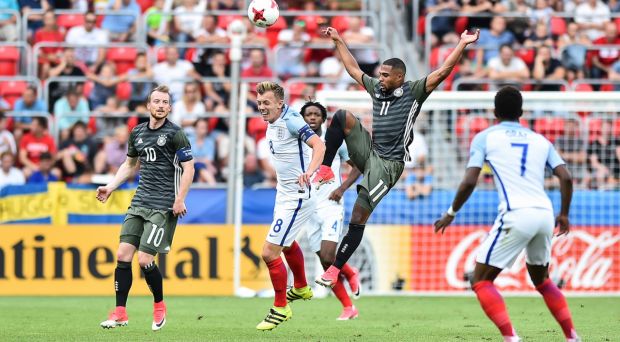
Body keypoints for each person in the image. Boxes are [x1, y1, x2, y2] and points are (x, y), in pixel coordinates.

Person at [313, 26, 480, 288]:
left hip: (389, 165)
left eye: (386, 75)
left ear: (400, 77)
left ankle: (335, 269)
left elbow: (442, 72)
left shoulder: (414, 92)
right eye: (380, 74)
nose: (380, 78)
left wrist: (462, 44)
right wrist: (339, 41)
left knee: (358, 216)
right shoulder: (377, 90)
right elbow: (353, 70)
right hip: (371, 150)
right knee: (341, 116)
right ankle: (324, 168)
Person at [433, 86, 580, 342]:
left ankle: (511, 338)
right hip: (545, 213)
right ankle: (571, 336)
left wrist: (451, 212)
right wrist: (564, 214)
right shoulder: (540, 140)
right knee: (542, 281)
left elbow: (469, 181)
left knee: (480, 280)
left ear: (494, 112)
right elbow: (566, 177)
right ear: (522, 113)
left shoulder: (485, 138)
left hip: (516, 213)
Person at [98, 85, 194, 331]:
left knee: (144, 259)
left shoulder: (176, 134)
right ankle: (120, 312)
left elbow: (189, 168)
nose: (161, 105)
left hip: (164, 206)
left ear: (170, 108)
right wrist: (110, 186)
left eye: (165, 102)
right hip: (140, 202)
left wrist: (180, 199)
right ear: (148, 106)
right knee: (122, 255)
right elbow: (129, 165)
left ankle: (159, 306)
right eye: (157, 101)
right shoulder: (137, 132)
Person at [254, 81, 326, 331]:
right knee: (286, 243)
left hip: (297, 195)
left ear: (280, 104)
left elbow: (319, 145)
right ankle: (302, 287)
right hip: (283, 194)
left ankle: (281, 307)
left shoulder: (291, 121)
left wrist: (310, 171)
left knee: (269, 252)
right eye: (260, 102)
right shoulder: (277, 118)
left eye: (267, 103)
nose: (262, 107)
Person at [299, 101, 362, 320]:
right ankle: (348, 306)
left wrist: (342, 189)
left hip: (330, 204)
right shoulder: (297, 140)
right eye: (308, 114)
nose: (312, 118)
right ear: (303, 118)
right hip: (308, 207)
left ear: (323, 119)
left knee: (328, 255)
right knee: (326, 263)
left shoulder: (333, 141)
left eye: (317, 114)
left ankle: (349, 272)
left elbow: (358, 166)